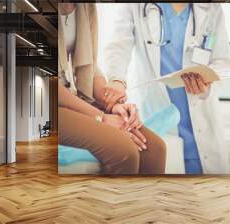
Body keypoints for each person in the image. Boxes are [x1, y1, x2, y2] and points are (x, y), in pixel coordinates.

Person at [104, 3, 230, 174]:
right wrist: (117, 80)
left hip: (202, 121)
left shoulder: (211, 8)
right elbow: (118, 46)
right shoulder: (135, 6)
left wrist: (207, 79)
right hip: (157, 115)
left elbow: (222, 61)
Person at [58, 3, 166, 174]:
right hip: (48, 102)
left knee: (155, 149)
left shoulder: (85, 7)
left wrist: (112, 104)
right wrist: (102, 117)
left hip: (72, 96)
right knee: (124, 151)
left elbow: (90, 67)